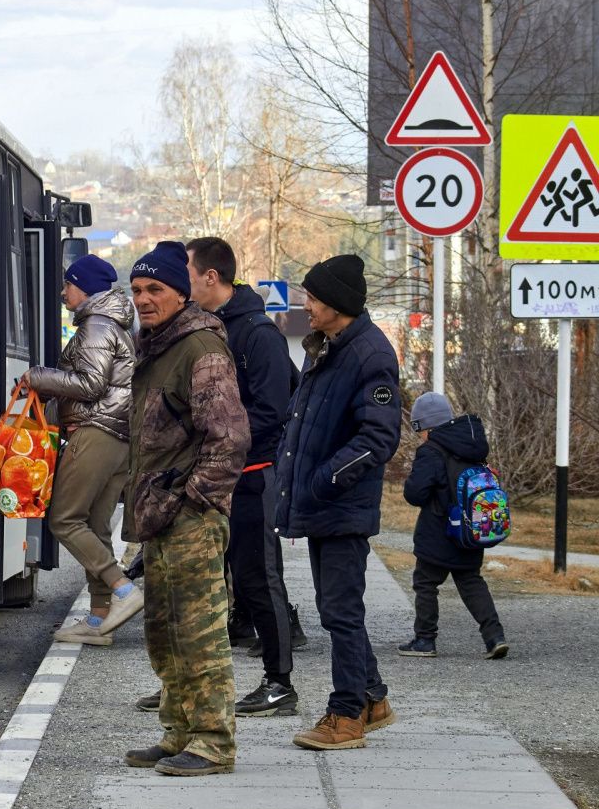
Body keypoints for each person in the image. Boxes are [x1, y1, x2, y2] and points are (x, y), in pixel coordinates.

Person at [121, 241, 249, 778]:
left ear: (180, 292)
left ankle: (213, 741)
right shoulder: (156, 346)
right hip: (160, 516)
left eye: (155, 289)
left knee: (199, 634)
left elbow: (230, 440)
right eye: (136, 291)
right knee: (164, 630)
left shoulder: (200, 350)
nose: (144, 300)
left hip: (190, 517)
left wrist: (192, 500)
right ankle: (178, 732)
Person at [275, 253, 401, 752]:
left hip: (343, 505)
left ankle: (346, 714)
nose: (307, 304)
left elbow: (379, 437)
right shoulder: (322, 345)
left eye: (313, 297)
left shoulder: (370, 353)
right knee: (334, 608)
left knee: (342, 612)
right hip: (322, 503)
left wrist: (324, 482)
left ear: (338, 305)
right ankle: (373, 698)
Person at [185, 236, 304, 718]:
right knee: (209, 581)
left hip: (255, 474)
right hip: (218, 476)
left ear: (211, 277)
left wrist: (222, 445)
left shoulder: (257, 333)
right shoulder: (209, 327)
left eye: (188, 274)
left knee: (258, 579)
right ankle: (189, 685)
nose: (184, 282)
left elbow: (272, 410)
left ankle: (280, 684)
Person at [19, 254, 140, 646]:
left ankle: (122, 590)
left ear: (84, 287)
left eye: (68, 284)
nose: (63, 292)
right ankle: (99, 618)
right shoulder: (114, 324)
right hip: (118, 433)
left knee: (65, 519)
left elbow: (90, 384)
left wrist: (37, 377)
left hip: (96, 431)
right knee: (96, 523)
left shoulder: (96, 325)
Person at [397, 392, 509, 660]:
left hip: (439, 532)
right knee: (471, 581)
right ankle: (495, 637)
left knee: (425, 582)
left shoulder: (431, 451)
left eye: (419, 429)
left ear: (425, 427)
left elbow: (416, 494)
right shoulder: (471, 446)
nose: (420, 436)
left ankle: (425, 639)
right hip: (470, 532)